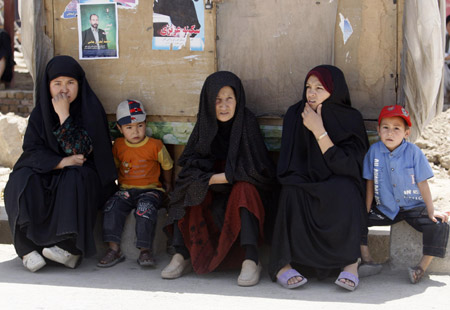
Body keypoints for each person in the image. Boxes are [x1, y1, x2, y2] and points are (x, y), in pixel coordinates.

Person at [161, 71, 276, 286]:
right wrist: (211, 180)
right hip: (212, 184)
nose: (224, 106)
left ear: (238, 99)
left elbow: (258, 169)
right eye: (218, 100)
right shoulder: (204, 123)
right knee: (188, 186)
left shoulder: (246, 122)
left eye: (229, 99)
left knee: (245, 189)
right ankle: (182, 253)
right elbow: (191, 166)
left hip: (239, 189)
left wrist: (225, 177)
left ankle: (251, 259)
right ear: (208, 101)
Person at [4, 55, 117, 272]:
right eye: (57, 83)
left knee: (75, 174)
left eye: (70, 83)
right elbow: (32, 152)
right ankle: (28, 250)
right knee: (20, 177)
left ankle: (70, 249)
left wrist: (64, 115)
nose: (63, 89)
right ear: (48, 86)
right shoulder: (40, 113)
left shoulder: (90, 109)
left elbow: (81, 152)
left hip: (84, 176)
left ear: (79, 84)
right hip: (52, 168)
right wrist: (60, 162)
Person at [269, 65, 369, 291]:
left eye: (319, 88)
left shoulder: (351, 118)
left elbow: (350, 167)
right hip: (305, 181)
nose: (311, 94)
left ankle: (350, 264)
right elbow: (288, 165)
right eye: (308, 87)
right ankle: (283, 266)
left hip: (339, 181)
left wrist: (318, 130)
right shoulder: (296, 114)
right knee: (290, 191)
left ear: (334, 91)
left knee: (348, 189)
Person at [360, 105, 449, 284]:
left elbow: (423, 183)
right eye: (385, 127)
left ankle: (420, 268)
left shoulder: (414, 153)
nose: (390, 133)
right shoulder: (374, 152)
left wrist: (431, 211)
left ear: (407, 133)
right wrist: (365, 210)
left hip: (412, 206)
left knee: (439, 223)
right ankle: (367, 259)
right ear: (378, 130)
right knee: (356, 219)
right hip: (385, 208)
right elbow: (369, 183)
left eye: (396, 128)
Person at [97, 99, 174, 268]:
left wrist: (167, 184)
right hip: (126, 190)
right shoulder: (118, 146)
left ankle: (145, 250)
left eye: (140, 125)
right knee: (112, 207)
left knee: (145, 209)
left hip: (151, 190)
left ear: (145, 123)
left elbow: (167, 165)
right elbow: (115, 167)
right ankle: (114, 249)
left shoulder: (155, 145)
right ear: (119, 128)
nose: (135, 131)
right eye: (129, 128)